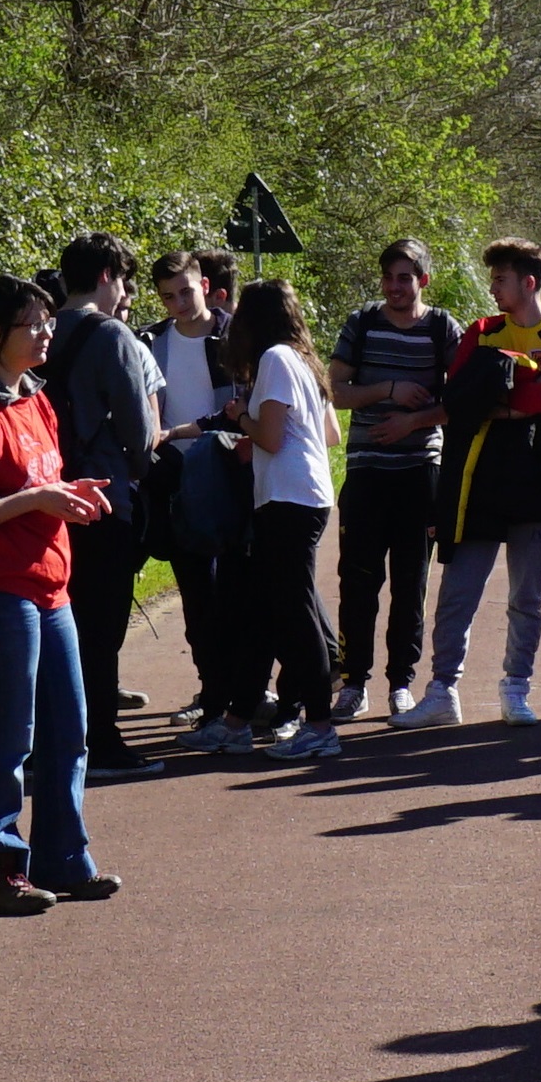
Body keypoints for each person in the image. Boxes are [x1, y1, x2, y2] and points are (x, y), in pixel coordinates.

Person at [0, 273, 118, 917]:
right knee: (10, 732)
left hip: (51, 586)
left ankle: (64, 860)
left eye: (47, 321)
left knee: (71, 728)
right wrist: (39, 499)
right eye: (31, 324)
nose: (47, 332)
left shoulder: (36, 400)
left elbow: (42, 480)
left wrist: (70, 492)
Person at [410, 236, 541, 725]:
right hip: (475, 482)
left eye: (500, 279)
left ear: (527, 283)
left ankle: (515, 690)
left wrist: (501, 389)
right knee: (457, 593)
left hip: (538, 484)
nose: (493, 288)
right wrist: (513, 385)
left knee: (525, 599)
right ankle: (442, 692)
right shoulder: (483, 331)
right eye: (493, 279)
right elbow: (460, 394)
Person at [45, 233, 171, 781]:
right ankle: (101, 742)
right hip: (101, 500)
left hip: (46, 498)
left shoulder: (39, 329)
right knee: (101, 629)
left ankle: (53, 738)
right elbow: (141, 438)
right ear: (105, 277)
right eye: (121, 278)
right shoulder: (111, 335)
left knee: (61, 624)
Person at [326, 241, 466, 721]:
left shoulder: (443, 328)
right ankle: (353, 683)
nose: (394, 287)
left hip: (420, 473)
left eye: (404, 278)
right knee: (358, 582)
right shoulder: (361, 322)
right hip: (366, 471)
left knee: (412, 584)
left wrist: (413, 421)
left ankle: (400, 683)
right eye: (388, 277)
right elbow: (335, 392)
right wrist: (387, 390)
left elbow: (463, 399)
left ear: (423, 281)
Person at [224, 278, 350, 761]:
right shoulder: (305, 361)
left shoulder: (275, 360)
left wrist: (241, 418)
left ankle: (320, 725)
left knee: (295, 615)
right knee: (266, 607)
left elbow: (272, 439)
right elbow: (331, 434)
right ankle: (235, 721)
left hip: (287, 498)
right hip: (307, 493)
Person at [148, 256, 261, 751]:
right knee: (197, 597)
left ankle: (244, 696)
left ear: (206, 286)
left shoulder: (236, 335)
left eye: (185, 292)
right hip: (178, 481)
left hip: (232, 474)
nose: (177, 304)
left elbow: (245, 406)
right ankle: (214, 697)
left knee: (238, 593)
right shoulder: (151, 341)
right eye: (167, 296)